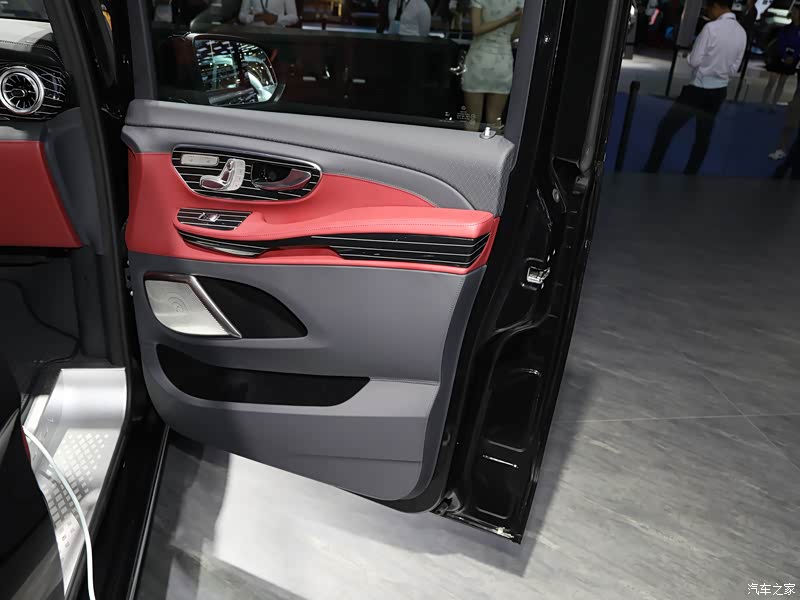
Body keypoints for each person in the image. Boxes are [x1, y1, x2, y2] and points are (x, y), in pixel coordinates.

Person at [644, 0, 746, 175]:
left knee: (666, 128)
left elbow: (694, 60)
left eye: (708, 7)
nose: (707, 11)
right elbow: (734, 68)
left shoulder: (711, 28)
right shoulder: (741, 32)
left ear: (716, 5)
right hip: (719, 91)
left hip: (698, 89)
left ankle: (651, 169)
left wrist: (702, 61)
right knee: (703, 135)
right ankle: (691, 173)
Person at [460, 0, 522, 131]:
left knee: (472, 120)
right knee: (495, 121)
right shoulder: (520, 2)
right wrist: (508, 22)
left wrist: (506, 19)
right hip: (503, 60)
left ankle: (469, 145)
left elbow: (476, 29)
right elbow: (516, 34)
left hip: (478, 59)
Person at [761, 5, 800, 105]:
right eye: (793, 12)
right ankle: (763, 103)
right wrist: (784, 55)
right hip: (780, 56)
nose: (793, 14)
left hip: (792, 58)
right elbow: (781, 42)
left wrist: (793, 56)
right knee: (772, 81)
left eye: (796, 12)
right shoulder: (786, 29)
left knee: (781, 83)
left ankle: (774, 103)